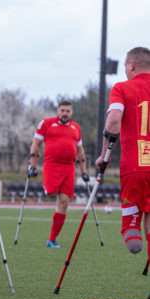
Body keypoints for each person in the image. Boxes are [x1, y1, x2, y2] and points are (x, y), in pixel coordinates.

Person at [95, 47, 150, 258]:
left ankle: (132, 230)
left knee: (131, 225)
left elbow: (114, 119)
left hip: (135, 166)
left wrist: (103, 155)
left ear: (131, 65)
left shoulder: (122, 88)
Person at [29, 100, 90, 248]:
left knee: (64, 202)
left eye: (67, 111)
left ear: (71, 113)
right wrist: (33, 166)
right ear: (58, 111)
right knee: (50, 193)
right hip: (51, 165)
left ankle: (52, 239)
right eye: (62, 110)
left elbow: (80, 151)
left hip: (69, 168)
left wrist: (83, 171)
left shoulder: (76, 128)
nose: (64, 113)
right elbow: (35, 145)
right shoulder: (46, 124)